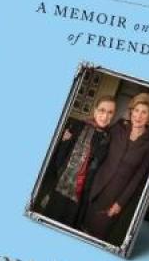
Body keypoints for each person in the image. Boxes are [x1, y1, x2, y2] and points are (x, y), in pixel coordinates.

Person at [82, 93, 149, 245]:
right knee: (80, 227)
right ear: (131, 111)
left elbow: (138, 179)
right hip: (95, 187)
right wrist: (75, 132)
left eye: (144, 112)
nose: (138, 116)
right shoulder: (119, 127)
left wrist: (120, 203)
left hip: (114, 198)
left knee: (97, 237)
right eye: (136, 110)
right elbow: (99, 131)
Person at [34, 96, 115, 229]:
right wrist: (60, 174)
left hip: (81, 194)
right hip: (61, 184)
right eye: (102, 110)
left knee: (68, 226)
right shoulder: (78, 126)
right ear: (95, 111)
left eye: (110, 112)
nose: (105, 116)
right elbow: (60, 153)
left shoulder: (108, 138)